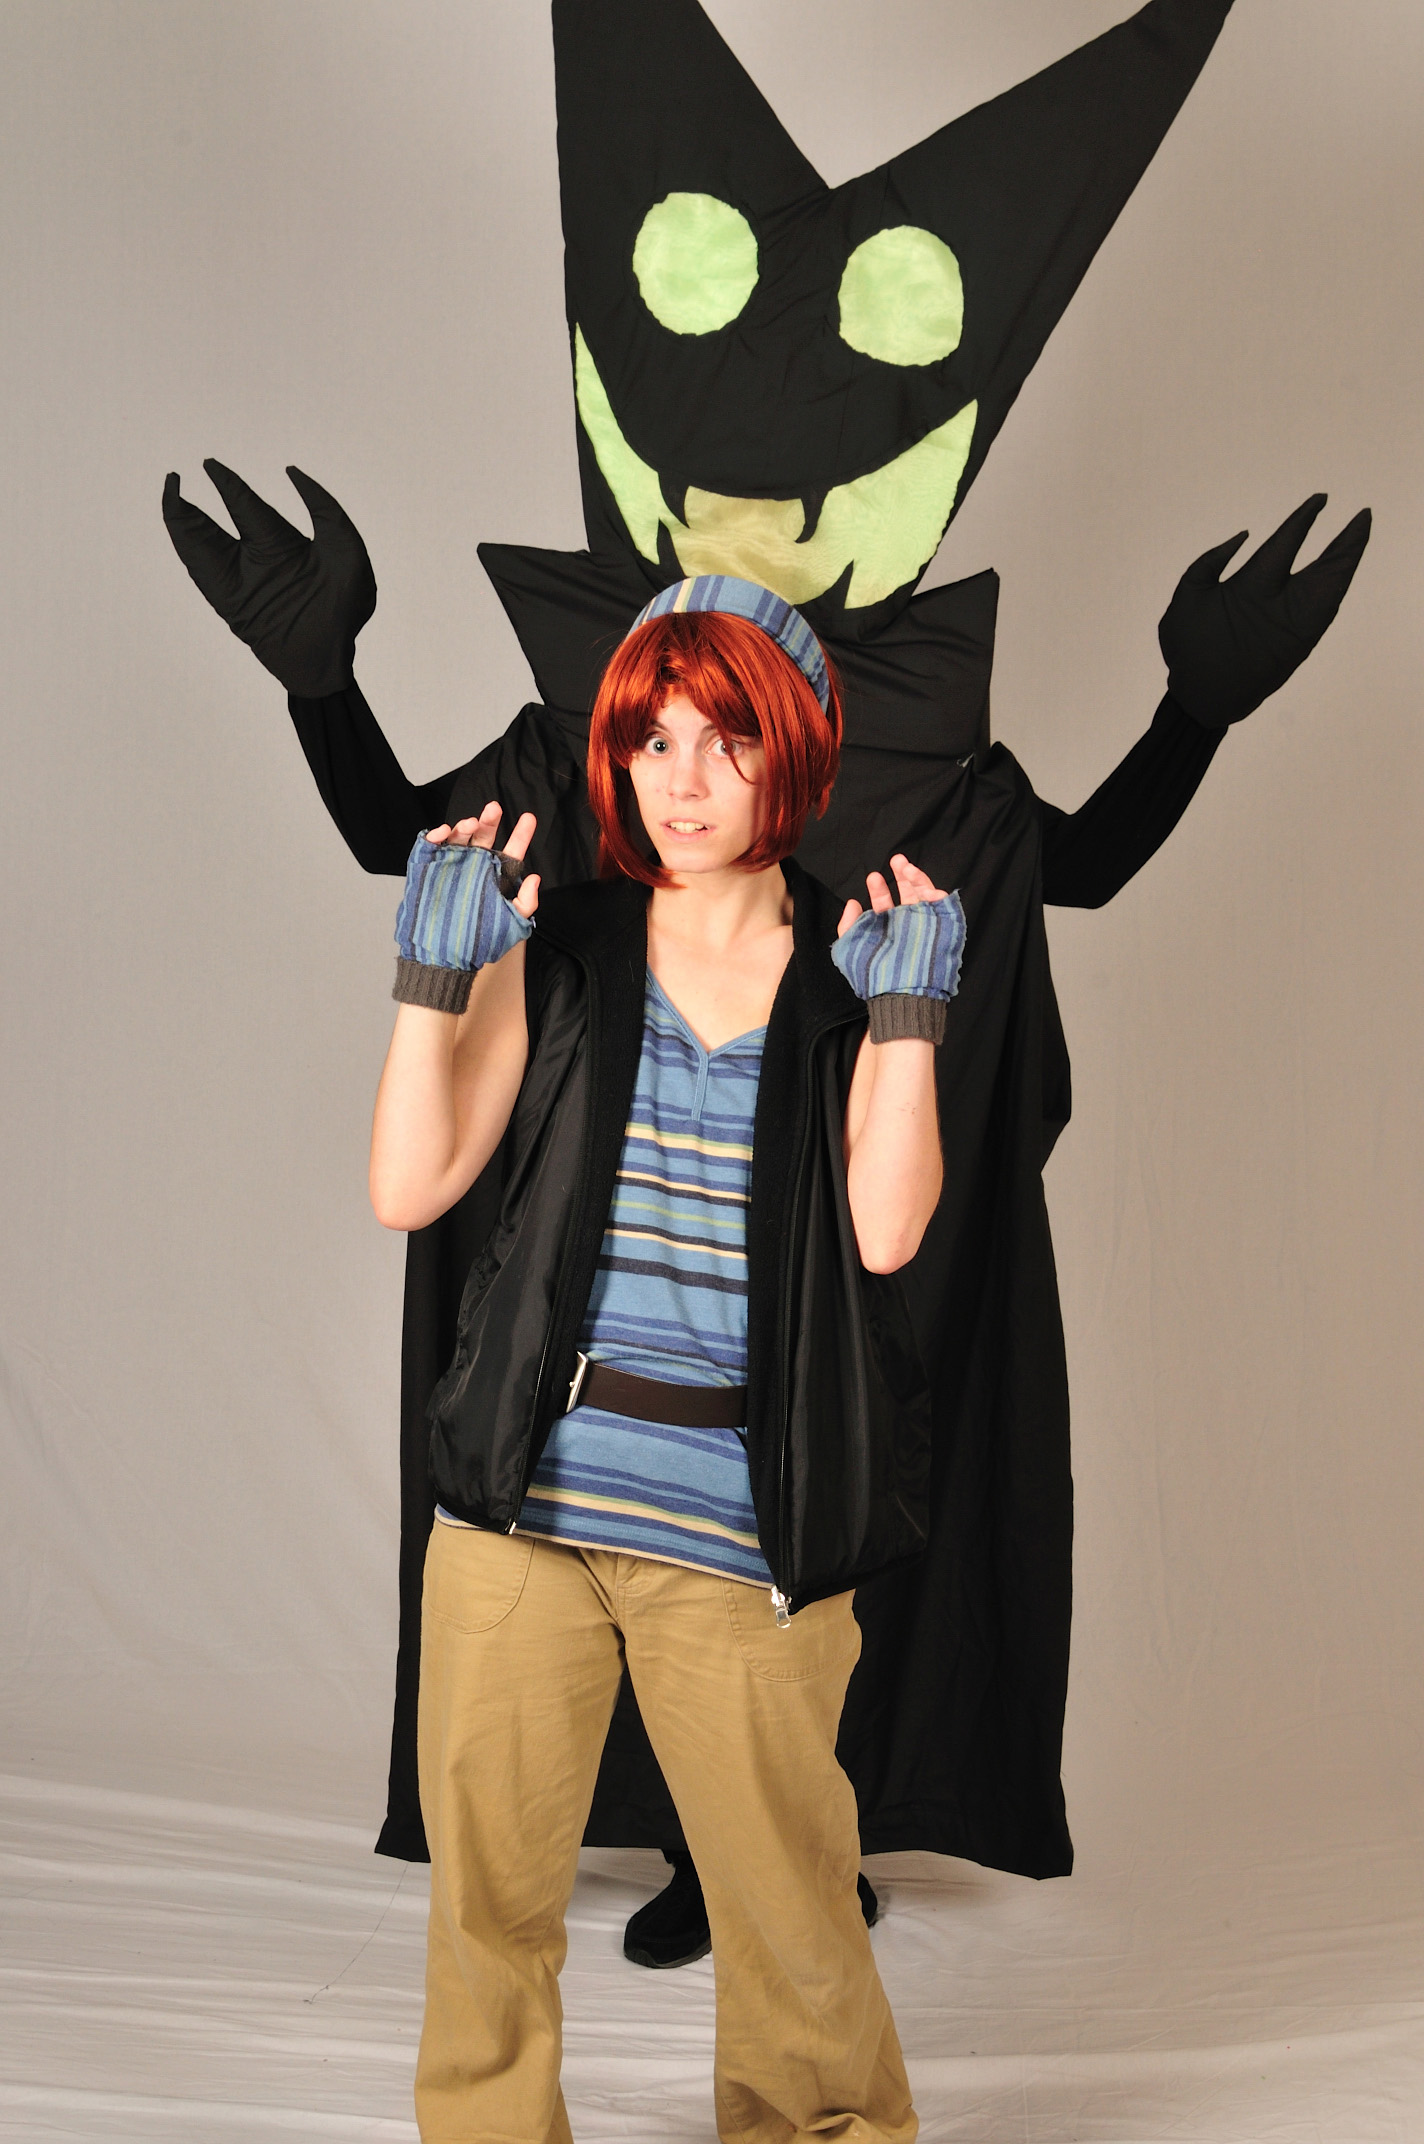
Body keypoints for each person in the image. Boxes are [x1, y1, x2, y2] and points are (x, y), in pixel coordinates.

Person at [369, 577, 965, 2142]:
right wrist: (431, 987)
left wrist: (909, 1024)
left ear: (797, 751)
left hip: (746, 1528)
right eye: (651, 740)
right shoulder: (560, 947)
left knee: (792, 1920)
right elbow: (409, 1187)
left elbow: (888, 1231)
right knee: (487, 1913)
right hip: (525, 1513)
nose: (682, 781)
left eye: (725, 740)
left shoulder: (849, 977)